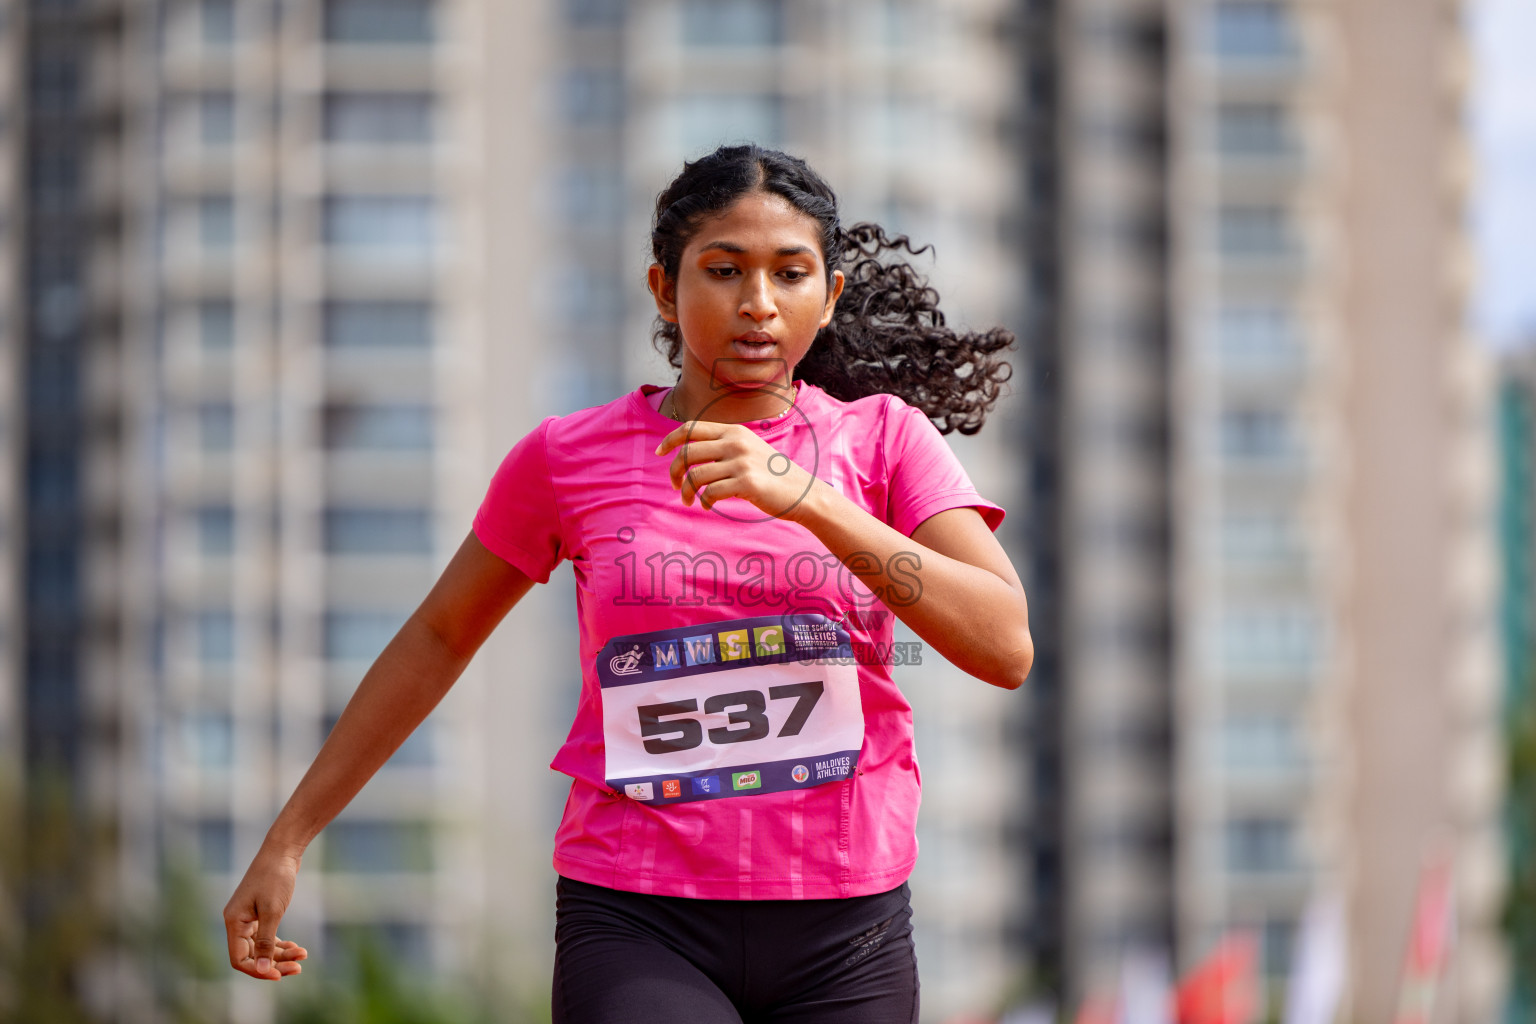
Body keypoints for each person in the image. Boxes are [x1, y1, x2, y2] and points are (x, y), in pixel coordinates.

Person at [223, 144, 1033, 1023]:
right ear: (662, 288)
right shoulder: (568, 458)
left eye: (790, 275)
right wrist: (288, 840)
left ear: (828, 295)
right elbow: (438, 636)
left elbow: (1004, 644)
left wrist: (806, 499)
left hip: (849, 926)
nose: (758, 304)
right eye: (723, 271)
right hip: (639, 918)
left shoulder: (884, 441)